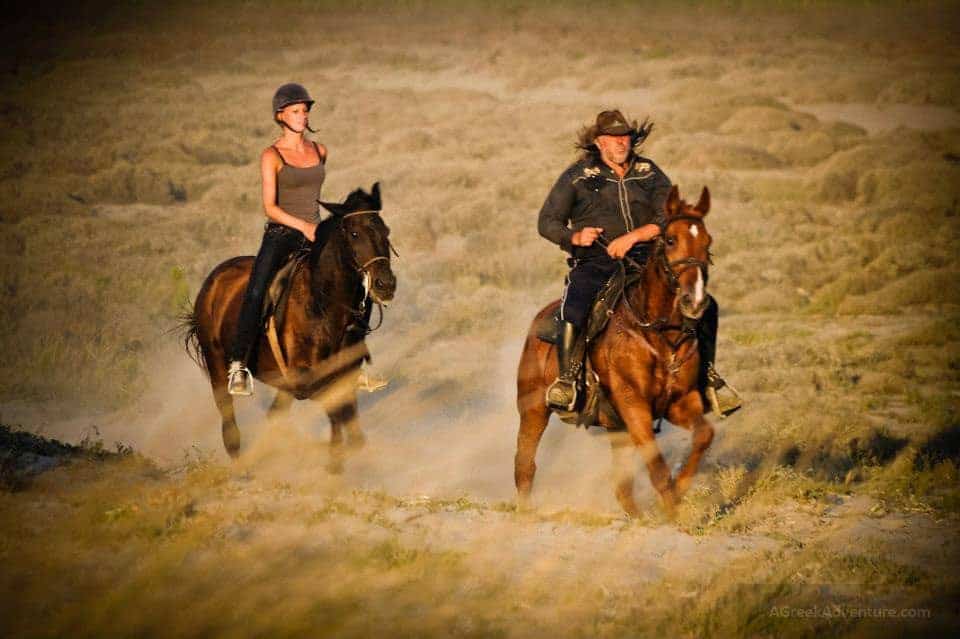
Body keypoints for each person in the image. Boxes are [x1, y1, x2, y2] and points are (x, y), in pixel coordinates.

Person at [537, 109, 741, 416]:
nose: (621, 144)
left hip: (647, 257)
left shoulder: (648, 172)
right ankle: (567, 380)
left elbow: (667, 214)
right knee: (575, 304)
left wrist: (634, 237)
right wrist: (575, 237)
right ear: (599, 142)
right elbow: (547, 221)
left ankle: (708, 377)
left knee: (705, 305)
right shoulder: (578, 175)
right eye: (614, 139)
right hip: (596, 260)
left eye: (626, 138)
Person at [226, 83, 328, 396]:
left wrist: (316, 228)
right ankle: (238, 365)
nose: (302, 115)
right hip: (282, 235)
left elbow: (312, 196)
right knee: (256, 291)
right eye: (296, 111)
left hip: (315, 232)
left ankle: (354, 361)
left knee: (352, 280)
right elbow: (270, 207)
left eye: (305, 110)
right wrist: (303, 227)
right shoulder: (271, 155)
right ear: (280, 115)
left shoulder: (320, 150)